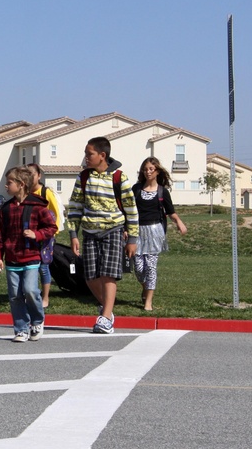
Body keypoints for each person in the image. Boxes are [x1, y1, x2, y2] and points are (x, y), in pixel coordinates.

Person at [65, 137, 139, 334]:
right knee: (90, 276)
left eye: (89, 154)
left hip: (113, 229)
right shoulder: (83, 177)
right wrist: (73, 234)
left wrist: (132, 239)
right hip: (89, 232)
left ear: (102, 155)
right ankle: (109, 309)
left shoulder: (118, 177)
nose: (86, 157)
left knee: (108, 274)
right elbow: (75, 207)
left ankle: (105, 317)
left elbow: (131, 209)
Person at [0, 166, 57, 342]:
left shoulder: (37, 206)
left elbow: (52, 227)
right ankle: (21, 328)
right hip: (12, 260)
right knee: (15, 295)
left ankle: (37, 320)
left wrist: (36, 235)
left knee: (30, 290)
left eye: (9, 183)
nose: (6, 186)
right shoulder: (5, 209)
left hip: (31, 257)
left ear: (21, 185)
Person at [132, 157, 187, 311]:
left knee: (150, 267)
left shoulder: (162, 191)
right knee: (138, 268)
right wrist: (125, 229)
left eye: (151, 169)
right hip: (137, 232)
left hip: (154, 232)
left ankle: (148, 302)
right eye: (146, 169)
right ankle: (145, 287)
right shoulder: (136, 189)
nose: (148, 171)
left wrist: (179, 223)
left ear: (157, 171)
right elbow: (128, 212)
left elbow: (171, 213)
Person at [27, 163, 62, 308]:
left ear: (39, 176)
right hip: (29, 234)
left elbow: (56, 213)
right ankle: (30, 294)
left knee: (43, 266)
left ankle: (45, 297)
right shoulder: (25, 192)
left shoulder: (46, 193)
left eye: (32, 175)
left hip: (45, 235)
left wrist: (52, 232)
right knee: (30, 265)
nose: (29, 178)